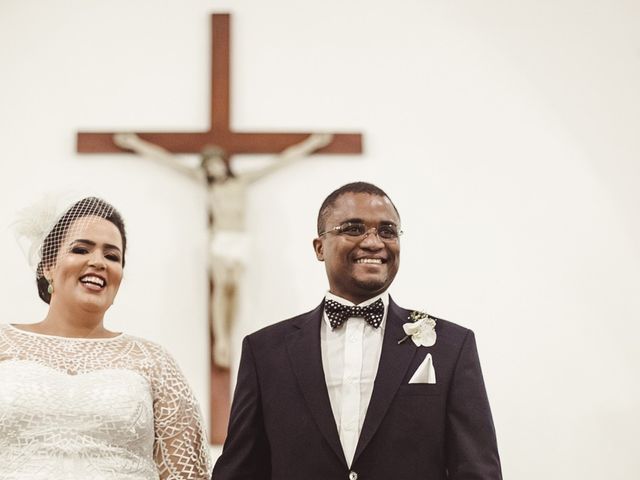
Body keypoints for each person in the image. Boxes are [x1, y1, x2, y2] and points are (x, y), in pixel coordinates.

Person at [213, 182, 502, 479]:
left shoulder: (451, 346)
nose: (374, 242)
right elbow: (240, 470)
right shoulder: (265, 352)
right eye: (354, 228)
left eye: (387, 231)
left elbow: (477, 470)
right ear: (320, 247)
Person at [0, 196, 212, 480]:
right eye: (81, 249)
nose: (98, 262)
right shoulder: (4, 344)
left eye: (112, 256)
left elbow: (187, 473)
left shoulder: (153, 361)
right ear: (48, 265)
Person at [113, 132, 332, 368]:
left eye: (214, 163)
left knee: (233, 287)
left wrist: (312, 144)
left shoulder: (242, 181)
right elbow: (167, 161)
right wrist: (135, 144)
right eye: (207, 166)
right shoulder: (205, 183)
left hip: (239, 240)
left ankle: (229, 335)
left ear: (222, 162)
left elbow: (280, 161)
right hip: (220, 239)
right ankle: (222, 340)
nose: (211, 169)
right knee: (220, 285)